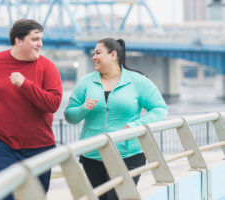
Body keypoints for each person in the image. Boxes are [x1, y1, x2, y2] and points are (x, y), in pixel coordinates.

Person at [0, 19, 62, 200]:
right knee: (2, 195)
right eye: (35, 39)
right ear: (18, 40)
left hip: (39, 145)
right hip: (0, 142)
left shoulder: (47, 67)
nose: (40, 44)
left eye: (41, 39)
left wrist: (26, 85)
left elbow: (53, 104)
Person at [64, 38, 168, 200]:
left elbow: (160, 109)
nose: (93, 57)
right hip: (92, 154)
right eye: (93, 53)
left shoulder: (137, 81)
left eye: (98, 53)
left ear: (113, 55)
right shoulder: (86, 82)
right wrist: (83, 108)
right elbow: (70, 116)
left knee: (117, 197)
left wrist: (136, 125)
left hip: (128, 155)